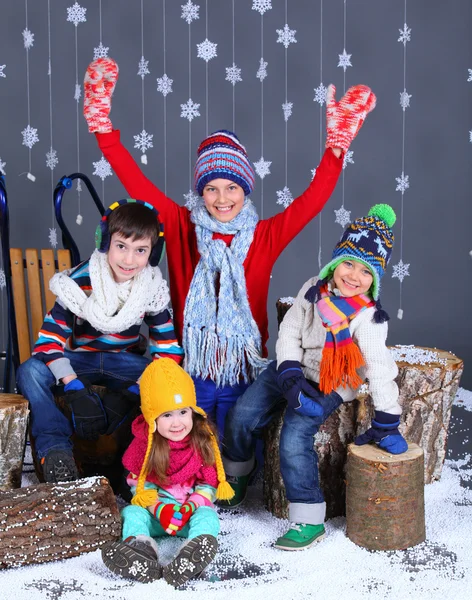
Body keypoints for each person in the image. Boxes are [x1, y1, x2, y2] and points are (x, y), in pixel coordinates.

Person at [83, 57, 376, 435]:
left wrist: (335, 150)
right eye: (211, 188)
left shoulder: (265, 235)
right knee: (192, 446)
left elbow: (311, 201)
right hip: (192, 365)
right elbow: (135, 180)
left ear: (245, 189)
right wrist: (102, 128)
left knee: (238, 443)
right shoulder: (181, 224)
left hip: (243, 366)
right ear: (201, 192)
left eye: (232, 187)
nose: (222, 198)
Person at [222, 204, 408, 550]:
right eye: (348, 264)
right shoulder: (313, 289)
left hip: (330, 380)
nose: (353, 276)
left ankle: (308, 518)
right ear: (335, 262)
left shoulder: (369, 318)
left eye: (365, 272)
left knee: (296, 434)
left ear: (375, 279)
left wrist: (386, 418)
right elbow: (290, 330)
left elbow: (379, 367)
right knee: (242, 413)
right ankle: (238, 471)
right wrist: (289, 372)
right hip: (294, 368)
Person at [16, 199, 183, 484]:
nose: (129, 260)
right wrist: (73, 386)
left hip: (125, 364)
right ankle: (56, 449)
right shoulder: (81, 280)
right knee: (29, 371)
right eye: (121, 246)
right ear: (105, 242)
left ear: (153, 253)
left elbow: (168, 351)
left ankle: (136, 458)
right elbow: (47, 342)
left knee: (172, 378)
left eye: (140, 250)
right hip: (81, 359)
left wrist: (133, 391)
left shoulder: (151, 287)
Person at [101, 358, 234, 587]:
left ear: (193, 411)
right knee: (132, 513)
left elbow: (209, 484)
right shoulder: (145, 444)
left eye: (183, 412)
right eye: (166, 415)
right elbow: (140, 486)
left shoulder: (202, 440)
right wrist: (160, 509)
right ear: (152, 418)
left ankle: (193, 552)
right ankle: (140, 551)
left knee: (208, 517)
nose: (177, 423)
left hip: (188, 514)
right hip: (157, 514)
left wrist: (190, 507)